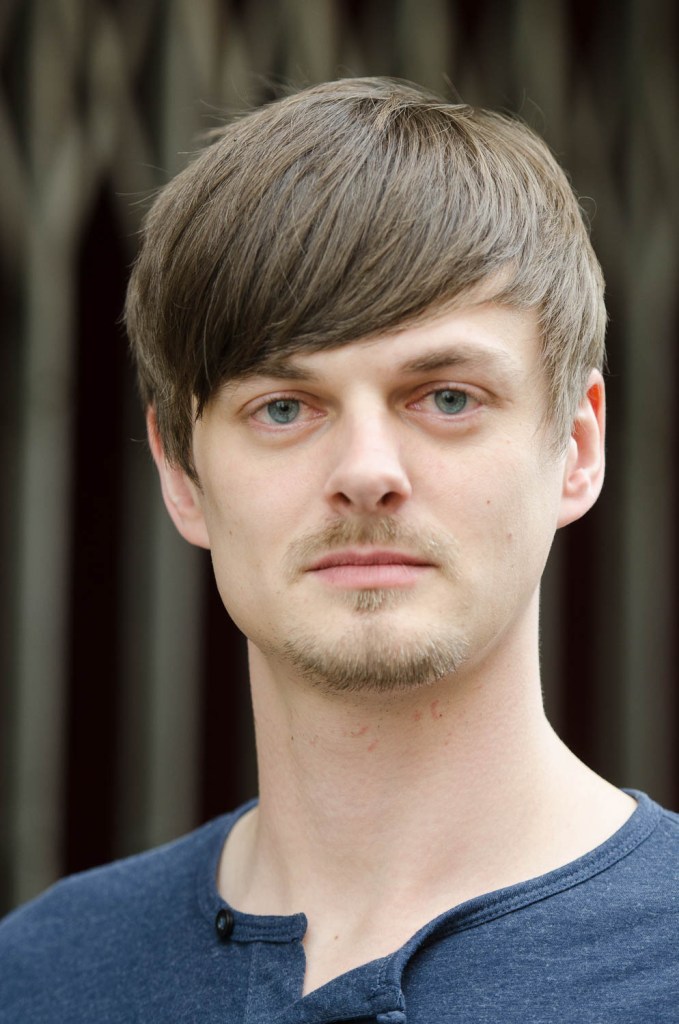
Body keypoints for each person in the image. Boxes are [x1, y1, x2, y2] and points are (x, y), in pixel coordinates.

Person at [1, 77, 677, 1023]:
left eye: (446, 398)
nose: (366, 471)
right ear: (181, 472)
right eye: (283, 408)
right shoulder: (40, 977)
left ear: (576, 446)